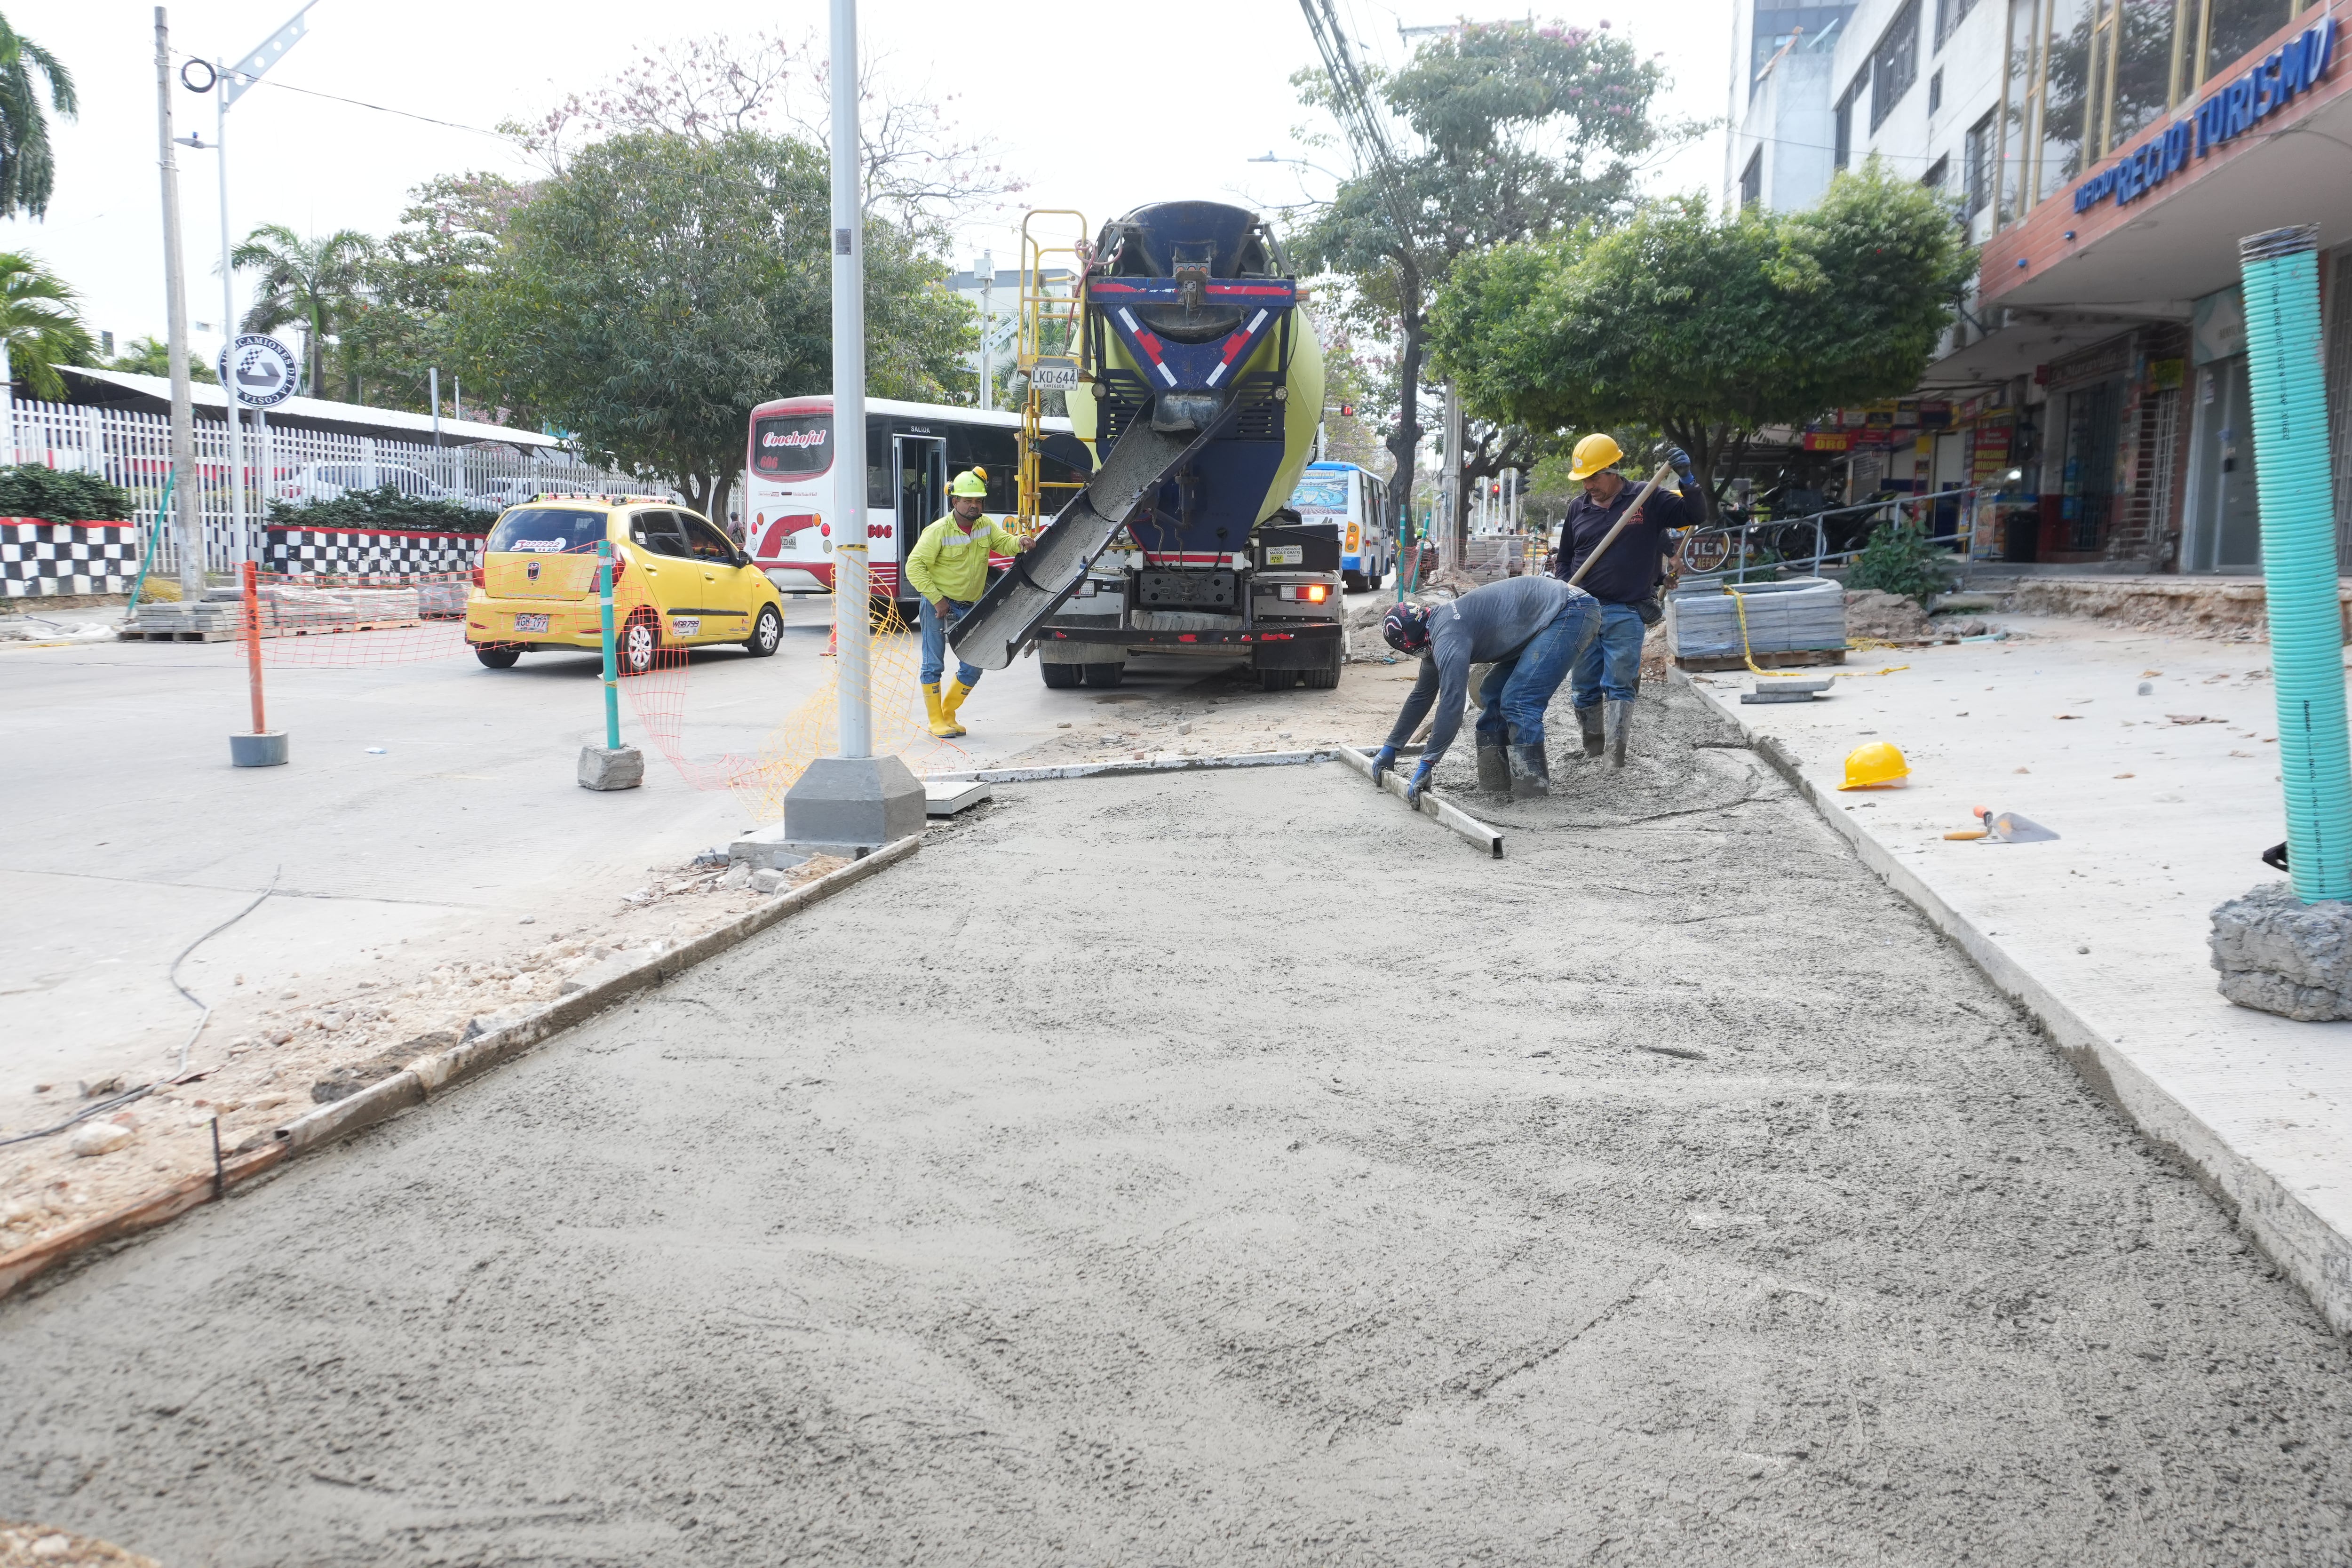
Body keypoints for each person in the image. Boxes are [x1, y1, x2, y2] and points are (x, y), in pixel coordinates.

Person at [1369, 576, 1598, 803]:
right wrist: (1392, 746)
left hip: (1570, 611)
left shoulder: (1448, 636)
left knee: (1519, 700)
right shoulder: (1434, 631)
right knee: (1493, 692)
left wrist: (1428, 762)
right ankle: (1495, 783)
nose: (1421, 656)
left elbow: (1452, 703)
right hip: (1545, 616)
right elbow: (1422, 695)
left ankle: (1532, 793)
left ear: (1416, 641)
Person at [1553, 434, 1707, 766]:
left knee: (1620, 683)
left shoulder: (1645, 498)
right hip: (1583, 611)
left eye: (1594, 477)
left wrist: (1688, 479)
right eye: (1583, 479)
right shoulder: (1577, 508)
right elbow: (1564, 560)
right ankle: (1593, 748)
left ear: (1613, 470)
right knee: (1582, 686)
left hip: (1626, 610)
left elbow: (1695, 513)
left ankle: (1615, 757)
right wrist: (1565, 589)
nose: (1588, 486)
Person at [905, 468, 1026, 738]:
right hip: (939, 604)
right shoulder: (938, 531)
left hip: (971, 605)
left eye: (979, 501)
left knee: (975, 662)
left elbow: (1004, 543)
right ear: (955, 502)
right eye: (968, 501)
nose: (975, 506)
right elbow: (914, 567)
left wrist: (1020, 542)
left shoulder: (984, 526)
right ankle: (936, 720)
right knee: (933, 663)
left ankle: (949, 713)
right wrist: (937, 601)